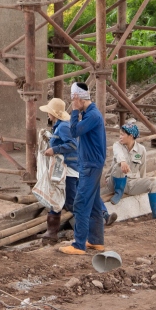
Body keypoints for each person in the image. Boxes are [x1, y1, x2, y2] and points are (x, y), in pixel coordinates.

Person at [59, 82, 106, 255]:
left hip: (91, 165)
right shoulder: (91, 114)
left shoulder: (91, 115)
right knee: (93, 203)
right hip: (91, 163)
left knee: (80, 203)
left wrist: (75, 111)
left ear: (77, 97)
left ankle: (79, 244)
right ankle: (96, 241)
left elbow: (73, 131)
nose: (72, 102)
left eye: (73, 99)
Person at [110, 121, 156, 220]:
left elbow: (142, 170)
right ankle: (118, 192)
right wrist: (122, 162)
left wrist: (143, 183)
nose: (120, 137)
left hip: (131, 183)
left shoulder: (141, 150)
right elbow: (118, 154)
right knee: (119, 165)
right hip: (115, 183)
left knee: (154, 182)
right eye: (119, 134)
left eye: (122, 134)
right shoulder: (117, 145)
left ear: (131, 136)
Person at [40, 98, 76, 244]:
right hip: (62, 168)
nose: (48, 115)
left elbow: (72, 145)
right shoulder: (59, 126)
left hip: (69, 168)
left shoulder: (63, 127)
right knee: (57, 197)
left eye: (49, 112)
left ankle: (86, 231)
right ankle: (51, 233)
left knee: (71, 201)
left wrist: (54, 149)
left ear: (53, 113)